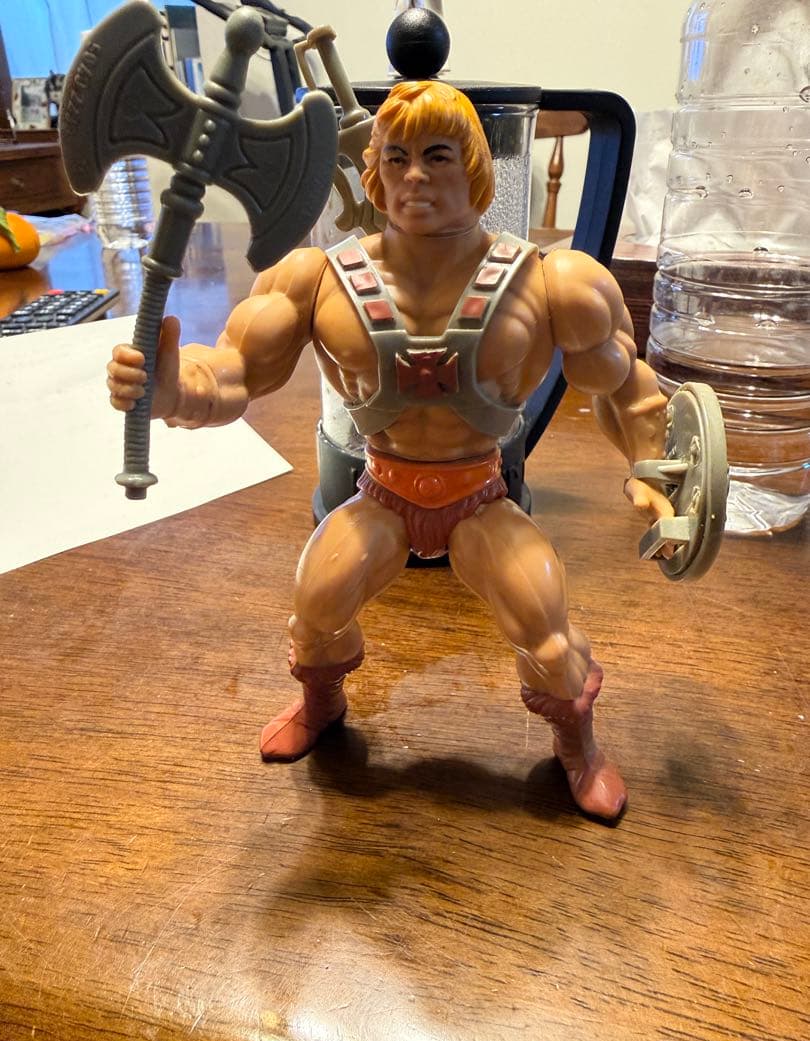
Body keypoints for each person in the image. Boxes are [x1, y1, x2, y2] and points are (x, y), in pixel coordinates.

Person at [107, 80, 673, 821]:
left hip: (480, 496)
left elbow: (626, 387)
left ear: (475, 167)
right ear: (371, 170)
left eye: (437, 156)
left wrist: (654, 472)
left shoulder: (551, 281)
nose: (414, 177)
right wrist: (170, 388)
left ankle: (579, 747)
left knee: (550, 638)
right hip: (382, 492)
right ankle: (322, 704)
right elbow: (234, 370)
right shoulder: (317, 279)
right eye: (396, 157)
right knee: (315, 611)